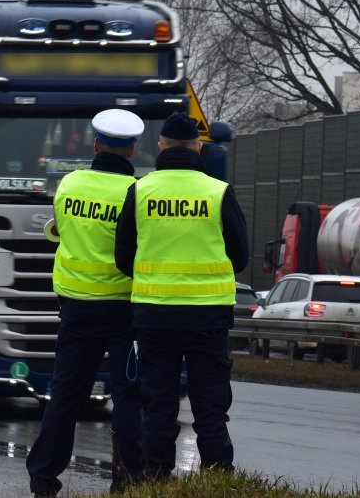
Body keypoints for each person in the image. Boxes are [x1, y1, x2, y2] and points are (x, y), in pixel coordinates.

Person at [114, 111, 249, 479]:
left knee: (158, 405)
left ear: (160, 147)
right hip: (208, 317)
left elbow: (124, 257)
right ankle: (217, 480)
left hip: (154, 317)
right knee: (210, 408)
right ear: (199, 147)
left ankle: (156, 480)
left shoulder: (140, 191)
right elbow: (241, 256)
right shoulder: (218, 192)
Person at [26, 108, 146, 497]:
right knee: (128, 396)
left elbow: (63, 229)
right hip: (121, 309)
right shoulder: (136, 193)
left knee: (65, 398)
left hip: (75, 308)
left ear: (96, 144)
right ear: (131, 150)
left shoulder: (69, 184)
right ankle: (126, 482)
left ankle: (43, 479)